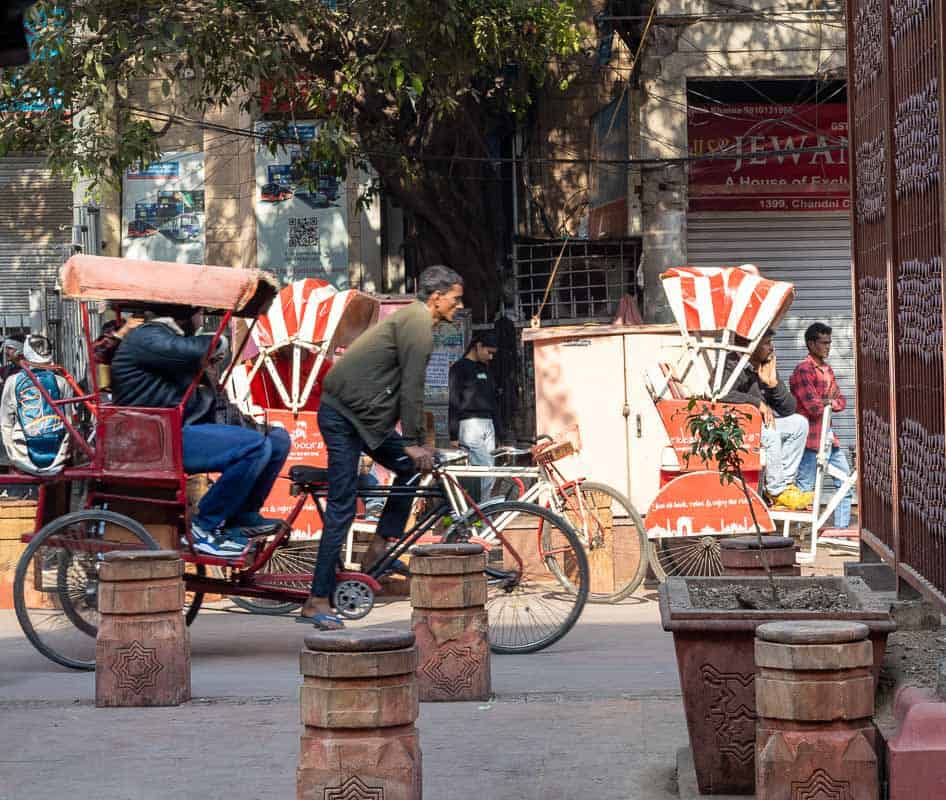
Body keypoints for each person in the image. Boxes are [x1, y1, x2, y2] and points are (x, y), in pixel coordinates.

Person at [299, 264, 464, 629]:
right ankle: (317, 599)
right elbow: (412, 390)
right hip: (343, 417)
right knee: (343, 506)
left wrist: (415, 449)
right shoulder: (418, 326)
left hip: (364, 418)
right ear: (436, 298)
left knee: (408, 468)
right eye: (455, 298)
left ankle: (380, 543)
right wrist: (412, 442)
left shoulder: (416, 321)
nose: (458, 305)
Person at [110, 306, 291, 557]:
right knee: (254, 447)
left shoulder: (164, 337)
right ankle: (202, 525)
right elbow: (195, 349)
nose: (200, 319)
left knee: (278, 440)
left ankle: (243, 515)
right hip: (156, 440)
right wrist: (219, 342)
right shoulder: (148, 336)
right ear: (184, 314)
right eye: (198, 313)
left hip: (176, 430)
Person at [721, 329, 812, 510]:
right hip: (738, 427)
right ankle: (776, 490)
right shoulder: (731, 364)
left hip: (759, 425)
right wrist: (757, 403)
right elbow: (723, 394)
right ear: (751, 346)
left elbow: (789, 408)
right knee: (771, 434)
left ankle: (783, 486)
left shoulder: (765, 365)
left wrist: (773, 385)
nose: (772, 347)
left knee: (799, 423)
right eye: (767, 343)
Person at [789, 322, 853, 530]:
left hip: (828, 436)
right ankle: (798, 534)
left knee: (845, 483)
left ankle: (840, 531)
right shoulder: (803, 370)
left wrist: (827, 401)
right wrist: (827, 400)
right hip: (809, 438)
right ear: (811, 344)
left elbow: (841, 401)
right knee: (805, 487)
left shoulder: (827, 369)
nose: (828, 347)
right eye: (824, 343)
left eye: (829, 342)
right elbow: (814, 407)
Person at [0, 334, 72, 475]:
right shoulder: (62, 381)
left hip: (21, 456)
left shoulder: (12, 381)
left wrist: (13, 456)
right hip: (57, 458)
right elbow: (69, 422)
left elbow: (5, 423)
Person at [449, 330, 500, 501]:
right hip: (469, 425)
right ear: (478, 346)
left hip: (488, 424)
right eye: (489, 352)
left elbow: (493, 401)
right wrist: (453, 434)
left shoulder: (485, 369)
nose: (491, 357)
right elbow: (454, 401)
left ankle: (480, 512)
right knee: (487, 470)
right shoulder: (459, 368)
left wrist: (498, 429)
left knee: (486, 471)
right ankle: (480, 511)